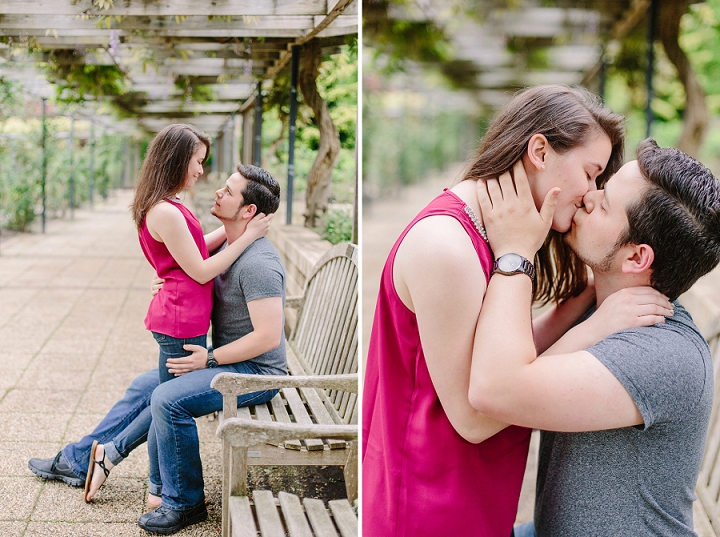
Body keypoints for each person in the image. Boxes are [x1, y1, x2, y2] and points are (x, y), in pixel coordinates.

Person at [362, 84, 629, 537]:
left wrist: (576, 307)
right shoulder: (448, 246)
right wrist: (593, 328)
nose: (591, 193)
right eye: (591, 173)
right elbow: (474, 416)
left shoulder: (491, 235)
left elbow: (498, 359)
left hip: (467, 496)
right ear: (540, 150)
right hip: (428, 508)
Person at [469, 139, 720, 536]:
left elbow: (493, 391)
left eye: (604, 204)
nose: (588, 195)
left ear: (636, 258)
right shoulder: (602, 310)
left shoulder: (662, 352)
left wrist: (515, 253)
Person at [29, 163, 287, 535]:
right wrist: (166, 282)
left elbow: (268, 338)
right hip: (232, 362)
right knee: (143, 386)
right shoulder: (232, 247)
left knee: (168, 398)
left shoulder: (259, 263)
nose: (218, 192)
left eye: (229, 192)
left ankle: (185, 502)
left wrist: (209, 358)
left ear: (249, 211)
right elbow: (194, 266)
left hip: (257, 375)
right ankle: (81, 458)